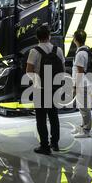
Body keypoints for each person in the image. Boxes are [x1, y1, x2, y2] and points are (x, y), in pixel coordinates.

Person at [26, 25, 65, 155]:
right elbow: (63, 69)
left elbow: (29, 71)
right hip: (54, 88)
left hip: (40, 90)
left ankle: (44, 146)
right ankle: (55, 143)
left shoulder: (34, 51)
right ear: (49, 36)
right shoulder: (58, 50)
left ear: (37, 37)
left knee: (41, 119)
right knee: (54, 116)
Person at [72, 30, 92, 139]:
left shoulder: (80, 54)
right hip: (87, 82)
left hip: (82, 83)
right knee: (83, 107)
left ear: (75, 39)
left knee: (84, 108)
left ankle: (86, 130)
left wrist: (75, 86)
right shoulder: (85, 50)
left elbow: (80, 72)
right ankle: (83, 126)